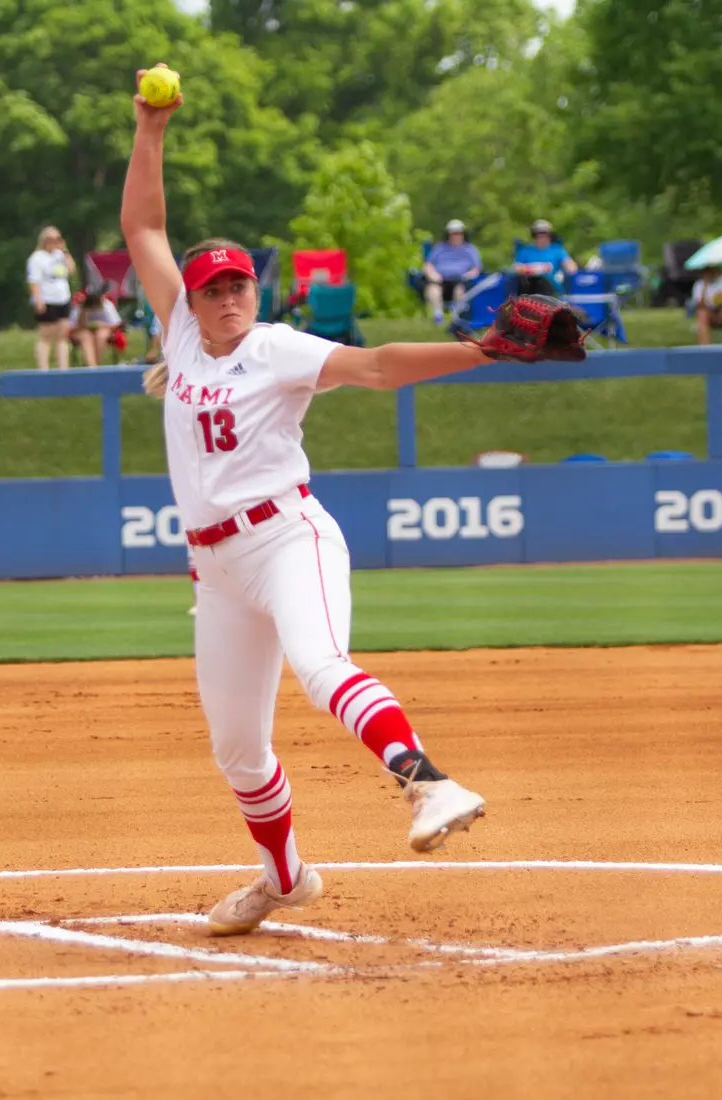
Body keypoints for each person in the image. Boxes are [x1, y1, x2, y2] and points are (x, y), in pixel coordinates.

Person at [123, 65, 491, 937]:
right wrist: (151, 128)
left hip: (287, 538)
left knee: (323, 667)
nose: (223, 297)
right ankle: (284, 878)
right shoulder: (181, 335)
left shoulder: (278, 347)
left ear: (257, 291)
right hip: (214, 567)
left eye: (237, 284)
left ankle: (430, 783)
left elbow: (377, 366)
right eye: (211, 287)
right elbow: (143, 224)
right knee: (237, 748)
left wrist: (481, 350)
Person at [27, 227, 76, 370]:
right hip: (47, 299)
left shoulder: (60, 256)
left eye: (58, 239)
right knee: (46, 335)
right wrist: (38, 300)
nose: (55, 243)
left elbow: (71, 269)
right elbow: (34, 281)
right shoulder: (37, 258)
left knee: (63, 335)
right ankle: (44, 368)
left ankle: (63, 367)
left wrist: (64, 251)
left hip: (62, 298)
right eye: (52, 240)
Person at [422, 219, 482, 325]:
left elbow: (476, 268)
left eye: (459, 233)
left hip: (460, 281)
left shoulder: (470, 249)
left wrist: (468, 275)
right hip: (440, 280)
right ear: (448, 234)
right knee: (433, 290)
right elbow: (428, 265)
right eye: (453, 233)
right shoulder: (439, 248)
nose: (456, 236)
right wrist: (432, 274)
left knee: (460, 290)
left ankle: (457, 318)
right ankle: (438, 316)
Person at [512, 219, 576, 296]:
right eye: (538, 236)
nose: (542, 238)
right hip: (528, 287)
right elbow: (516, 268)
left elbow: (572, 268)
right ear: (534, 236)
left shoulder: (557, 250)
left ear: (550, 236)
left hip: (551, 288)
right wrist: (533, 269)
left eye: (544, 235)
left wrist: (566, 268)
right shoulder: (525, 251)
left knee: (543, 282)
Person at [69, 290, 122, 368]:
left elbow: (117, 324)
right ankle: (91, 365)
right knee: (86, 337)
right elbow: (71, 327)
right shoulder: (79, 306)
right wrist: (84, 313)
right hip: (82, 331)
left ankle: (97, 365)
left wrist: (101, 325)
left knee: (101, 335)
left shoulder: (107, 305)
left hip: (104, 329)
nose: (93, 306)